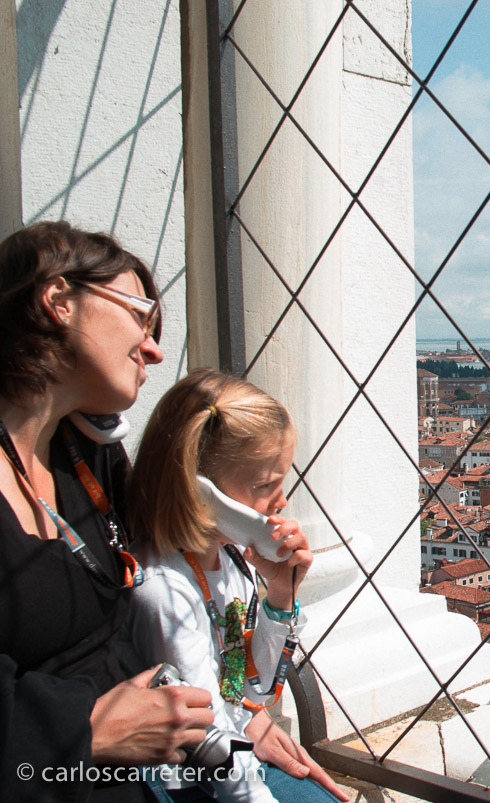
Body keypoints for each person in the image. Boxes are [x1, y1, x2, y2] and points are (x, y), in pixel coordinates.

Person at [0, 222, 344, 802]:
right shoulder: (169, 586)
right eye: (141, 315)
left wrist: (252, 707)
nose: (155, 348)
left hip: (184, 751)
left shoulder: (90, 459)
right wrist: (83, 730)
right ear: (59, 301)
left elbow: (237, 684)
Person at [125, 369, 343, 803]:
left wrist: (280, 596)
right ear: (200, 492)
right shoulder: (166, 593)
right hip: (186, 780)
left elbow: (250, 690)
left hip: (234, 751)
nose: (281, 501)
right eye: (265, 485)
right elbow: (207, 737)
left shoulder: (228, 561)